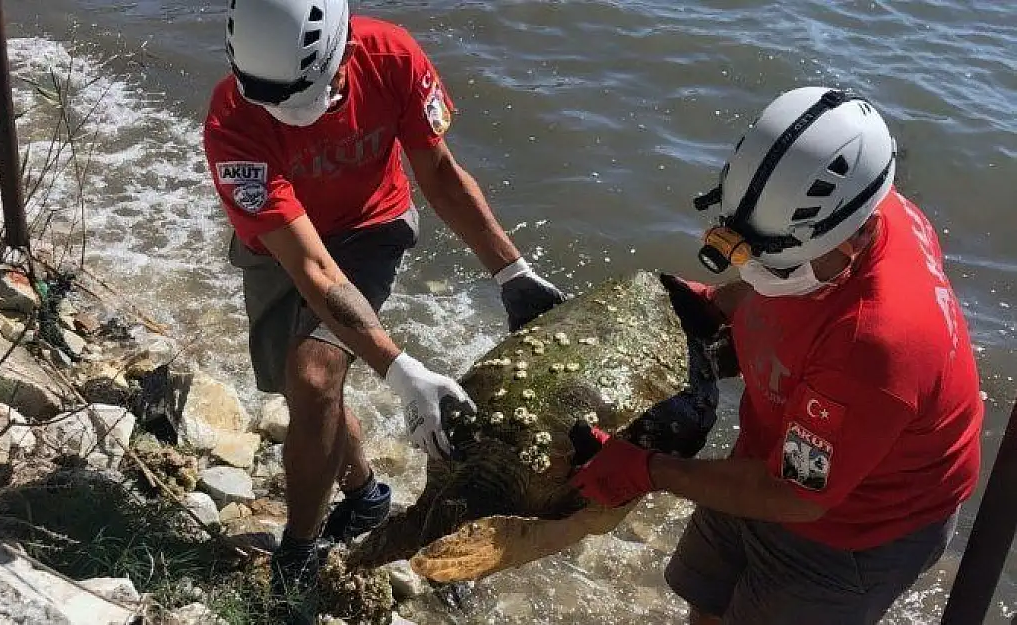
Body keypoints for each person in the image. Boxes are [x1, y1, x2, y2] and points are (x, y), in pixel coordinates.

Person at [202, 0, 565, 621]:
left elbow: (440, 172)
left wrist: (511, 271)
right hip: (283, 241)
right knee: (301, 389)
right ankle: (366, 493)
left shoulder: (393, 57)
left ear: (341, 50)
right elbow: (310, 268)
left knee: (315, 375)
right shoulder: (233, 120)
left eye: (303, 95)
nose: (286, 115)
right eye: (271, 99)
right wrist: (402, 373)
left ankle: (297, 555)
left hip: (373, 225)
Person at [570, 86, 983, 624]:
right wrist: (719, 305)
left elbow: (795, 495)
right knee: (709, 599)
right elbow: (783, 279)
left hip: (853, 527)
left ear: (849, 241)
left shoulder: (873, 346)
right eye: (746, 253)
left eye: (778, 269)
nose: (758, 277)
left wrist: (649, 470)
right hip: (776, 451)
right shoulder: (868, 210)